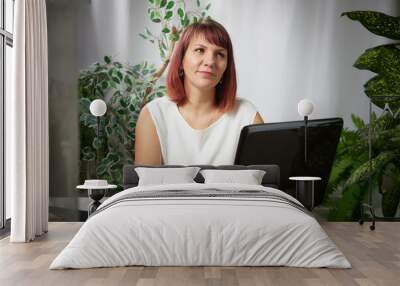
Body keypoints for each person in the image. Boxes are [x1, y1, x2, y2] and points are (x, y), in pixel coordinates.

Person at [135, 19, 264, 165]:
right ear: (181, 60)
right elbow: (147, 186)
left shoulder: (247, 115)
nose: (210, 61)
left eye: (220, 54)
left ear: (227, 68)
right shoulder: (153, 115)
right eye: (199, 50)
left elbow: (260, 184)